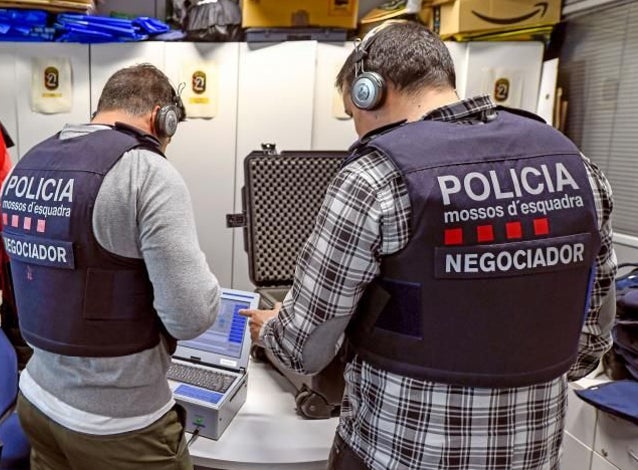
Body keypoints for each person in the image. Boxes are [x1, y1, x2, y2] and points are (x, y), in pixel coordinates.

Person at [240, 21, 617, 470]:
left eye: (353, 113)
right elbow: (592, 337)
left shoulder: (373, 177)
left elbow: (305, 349)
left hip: (397, 453)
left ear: (372, 92)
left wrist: (274, 330)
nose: (358, 132)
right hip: (532, 455)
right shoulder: (579, 171)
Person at [0, 64, 221, 470]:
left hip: (36, 403)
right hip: (119, 426)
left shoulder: (24, 166)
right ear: (162, 117)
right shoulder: (146, 172)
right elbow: (190, 317)